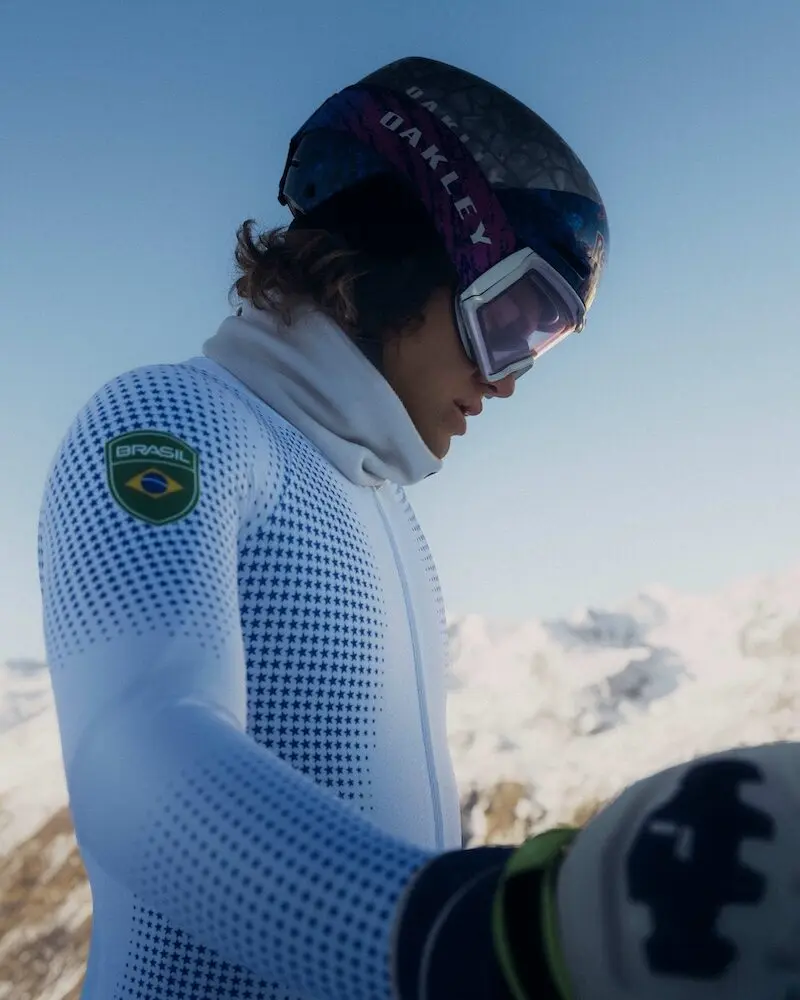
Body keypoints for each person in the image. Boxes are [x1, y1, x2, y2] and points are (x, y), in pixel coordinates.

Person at [37, 56, 792, 1000]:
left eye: (541, 341)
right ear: (394, 257)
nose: (511, 378)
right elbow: (129, 755)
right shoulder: (175, 421)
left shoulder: (386, 517)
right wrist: (498, 932)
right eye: (509, 319)